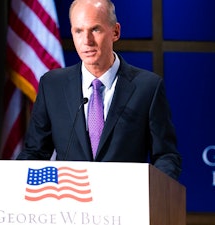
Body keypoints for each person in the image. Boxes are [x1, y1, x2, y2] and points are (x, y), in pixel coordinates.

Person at [16, 0, 182, 180]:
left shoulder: (147, 87)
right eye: (78, 31)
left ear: (115, 32)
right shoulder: (52, 86)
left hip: (126, 201)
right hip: (71, 201)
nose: (86, 41)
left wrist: (155, 193)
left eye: (95, 29)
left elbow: (166, 156)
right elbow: (35, 153)